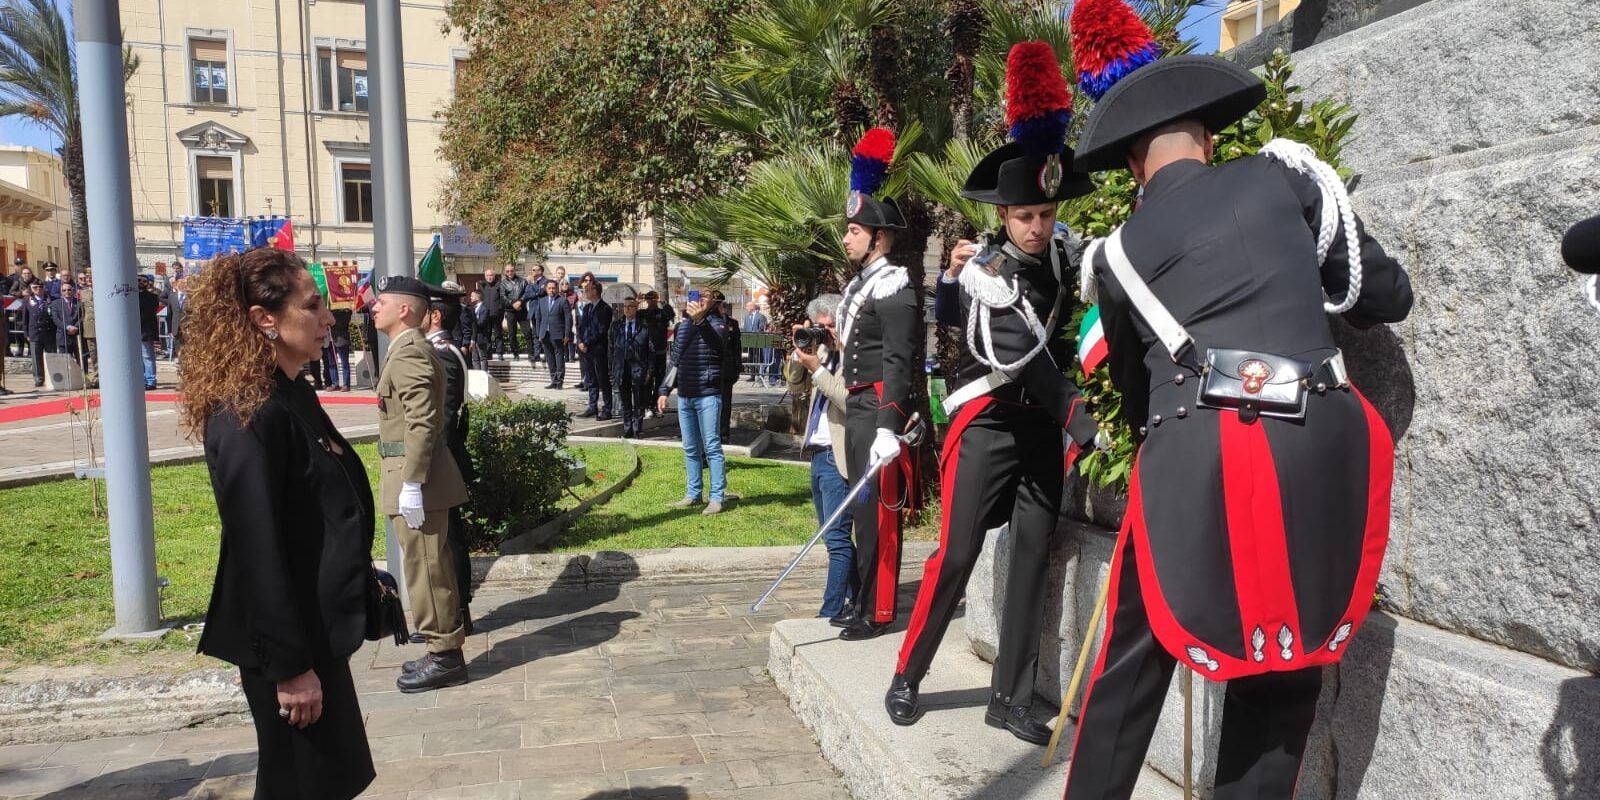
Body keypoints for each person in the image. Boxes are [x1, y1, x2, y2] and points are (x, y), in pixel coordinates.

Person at [1058, 3, 1415, 797]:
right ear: (1212, 139)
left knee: (1132, 657)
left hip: (1193, 453)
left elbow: (1132, 390)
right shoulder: (1286, 175)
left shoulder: (1115, 256)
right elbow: (1385, 294)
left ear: (1132, 169)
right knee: (1283, 659)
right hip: (1316, 438)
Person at [885, 41, 1103, 743]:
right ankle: (906, 674)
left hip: (1040, 428)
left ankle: (1009, 699)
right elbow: (1022, 355)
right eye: (1024, 217)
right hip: (989, 421)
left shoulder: (1068, 255)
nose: (1037, 227)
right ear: (1003, 216)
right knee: (958, 553)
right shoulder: (987, 269)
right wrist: (1079, 413)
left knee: (1034, 555)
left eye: (1045, 213)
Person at [181, 247, 376, 799]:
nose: (328, 319)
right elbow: (255, 549)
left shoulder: (289, 392)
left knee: (330, 781)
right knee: (302, 786)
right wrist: (290, 670)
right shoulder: (249, 412)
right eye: (311, 306)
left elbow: (315, 512)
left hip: (316, 628)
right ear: (264, 319)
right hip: (289, 646)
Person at [833, 127, 918, 642]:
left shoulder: (895, 290)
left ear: (879, 238)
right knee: (862, 513)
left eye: (855, 231)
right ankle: (861, 599)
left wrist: (889, 425)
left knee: (879, 516)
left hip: (878, 414)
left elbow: (899, 365)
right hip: (859, 411)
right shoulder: (864, 285)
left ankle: (877, 610)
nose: (847, 238)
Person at [369, 275, 472, 693]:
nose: (374, 307)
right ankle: (439, 649)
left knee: (427, 568)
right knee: (426, 565)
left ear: (404, 310)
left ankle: (446, 655)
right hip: (414, 477)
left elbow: (423, 421)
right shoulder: (406, 349)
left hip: (419, 480)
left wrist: (412, 482)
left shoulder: (410, 352)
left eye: (381, 302)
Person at [786, 294, 857, 622]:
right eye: (820, 327)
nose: (825, 333)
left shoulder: (853, 357)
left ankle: (831, 610)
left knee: (837, 538)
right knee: (833, 536)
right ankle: (856, 598)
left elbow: (848, 402)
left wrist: (818, 369)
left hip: (837, 457)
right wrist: (799, 359)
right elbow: (796, 388)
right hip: (817, 455)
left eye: (831, 326)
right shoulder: (822, 355)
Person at [425, 286, 477, 634]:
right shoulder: (442, 349)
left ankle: (459, 610)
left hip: (444, 456)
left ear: (436, 316)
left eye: (425, 311)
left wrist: (428, 462)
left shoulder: (442, 353)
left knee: (450, 538)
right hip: (446, 453)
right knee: (446, 536)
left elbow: (443, 415)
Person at [656, 294, 731, 515]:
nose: (699, 300)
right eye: (697, 296)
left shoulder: (719, 324)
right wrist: (664, 390)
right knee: (690, 447)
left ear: (714, 303)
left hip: (708, 394)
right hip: (685, 394)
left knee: (711, 447)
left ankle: (717, 497)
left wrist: (700, 321)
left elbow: (718, 346)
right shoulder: (683, 326)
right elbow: (675, 360)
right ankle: (693, 493)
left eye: (705, 297)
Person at [608, 295, 654, 436]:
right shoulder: (616, 325)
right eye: (625, 306)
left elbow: (650, 350)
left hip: (638, 368)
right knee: (625, 400)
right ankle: (627, 429)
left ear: (636, 308)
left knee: (639, 400)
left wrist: (649, 370)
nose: (627, 309)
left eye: (630, 306)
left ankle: (637, 429)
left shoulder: (644, 326)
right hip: (621, 368)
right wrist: (612, 369)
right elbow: (611, 349)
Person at [576, 282, 614, 419]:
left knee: (603, 379)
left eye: (587, 289)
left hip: (598, 350)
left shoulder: (605, 309)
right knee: (591, 379)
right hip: (586, 350)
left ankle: (607, 409)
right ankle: (592, 406)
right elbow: (581, 327)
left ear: (595, 291)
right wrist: (580, 341)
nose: (585, 292)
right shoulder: (586, 308)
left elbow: (602, 330)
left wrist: (587, 342)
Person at [640, 290, 676, 416]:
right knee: (647, 381)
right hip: (647, 353)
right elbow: (631, 314)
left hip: (660, 352)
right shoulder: (642, 313)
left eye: (653, 298)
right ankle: (647, 406)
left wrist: (663, 302)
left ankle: (654, 405)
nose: (651, 301)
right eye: (648, 298)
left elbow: (671, 315)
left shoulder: (662, 313)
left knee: (660, 380)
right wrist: (638, 300)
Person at [532, 278, 572, 389]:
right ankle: (553, 380)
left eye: (553, 288)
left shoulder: (562, 301)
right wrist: (539, 333)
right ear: (546, 289)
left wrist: (566, 335)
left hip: (558, 334)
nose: (551, 290)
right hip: (545, 334)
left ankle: (559, 381)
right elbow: (538, 318)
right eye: (549, 288)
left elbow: (568, 318)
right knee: (549, 358)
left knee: (559, 358)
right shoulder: (542, 301)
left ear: (557, 289)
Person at [22, 280, 54, 387]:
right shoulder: (27, 301)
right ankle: (38, 378)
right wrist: (26, 334)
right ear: (32, 289)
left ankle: (52, 377)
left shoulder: (50, 300)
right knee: (36, 357)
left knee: (51, 356)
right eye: (35, 287)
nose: (38, 289)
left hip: (48, 332)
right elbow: (25, 319)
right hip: (34, 333)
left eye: (40, 287)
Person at [497, 263, 530, 361]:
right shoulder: (503, 283)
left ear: (514, 270)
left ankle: (531, 354)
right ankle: (516, 354)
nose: (510, 273)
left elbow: (527, 293)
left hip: (522, 311)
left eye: (511, 271)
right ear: (505, 272)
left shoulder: (523, 281)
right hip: (510, 311)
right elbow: (503, 297)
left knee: (527, 332)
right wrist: (513, 303)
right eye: (507, 271)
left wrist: (520, 302)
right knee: (512, 335)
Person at [49, 282, 85, 366]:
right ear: (61, 292)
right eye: (64, 290)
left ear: (73, 291)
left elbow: (83, 316)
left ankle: (82, 377)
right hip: (63, 337)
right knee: (65, 363)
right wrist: (67, 327)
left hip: (77, 336)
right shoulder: (56, 304)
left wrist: (75, 327)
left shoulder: (79, 303)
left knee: (81, 361)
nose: (67, 292)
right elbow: (56, 319)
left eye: (69, 290)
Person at [138, 274, 160, 390]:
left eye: (143, 281)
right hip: (136, 331)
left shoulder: (152, 297)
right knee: (139, 357)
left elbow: (149, 313)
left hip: (146, 330)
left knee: (147, 356)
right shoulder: (132, 297)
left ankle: (151, 380)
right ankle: (142, 379)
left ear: (147, 283)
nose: (140, 283)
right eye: (138, 280)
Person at [324, 306, 354, 391]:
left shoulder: (346, 311)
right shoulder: (326, 309)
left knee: (344, 362)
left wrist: (331, 322)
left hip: (340, 339)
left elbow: (343, 324)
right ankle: (335, 383)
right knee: (331, 363)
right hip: (328, 339)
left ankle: (346, 384)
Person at [478, 267, 505, 358]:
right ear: (485, 276)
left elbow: (503, 298)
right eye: (487, 275)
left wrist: (501, 310)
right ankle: (488, 353)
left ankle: (500, 353)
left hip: (497, 314)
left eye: (491, 275)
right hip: (486, 315)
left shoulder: (500, 285)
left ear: (494, 276)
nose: (489, 277)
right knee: (487, 334)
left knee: (498, 334)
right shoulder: (483, 285)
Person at [469, 289, 492, 370]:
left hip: (481, 337)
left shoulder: (484, 309)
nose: (470, 297)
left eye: (472, 296)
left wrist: (472, 324)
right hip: (473, 338)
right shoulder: (472, 308)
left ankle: (484, 375)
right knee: (474, 358)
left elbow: (481, 323)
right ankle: (477, 375)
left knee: (482, 357)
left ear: (477, 297)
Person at [166, 276, 188, 361]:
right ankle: (181, 363)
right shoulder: (172, 296)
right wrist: (170, 330)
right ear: (176, 284)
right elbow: (169, 314)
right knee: (178, 347)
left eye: (185, 283)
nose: (183, 284)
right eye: (181, 282)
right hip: (176, 328)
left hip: (188, 327)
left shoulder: (191, 296)